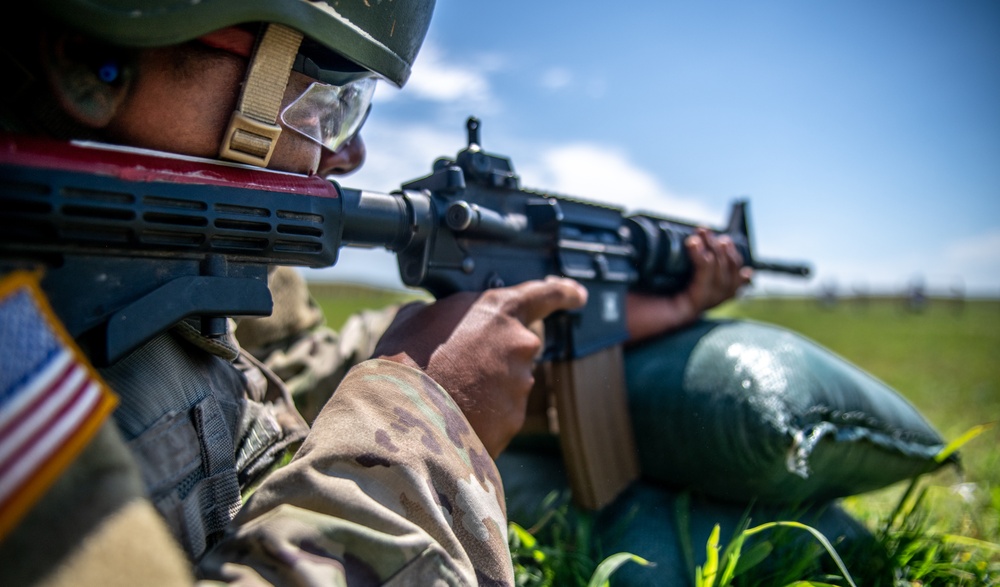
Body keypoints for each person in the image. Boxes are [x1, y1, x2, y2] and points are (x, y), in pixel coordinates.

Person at [0, 1, 749, 585]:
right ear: (91, 62)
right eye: (326, 96)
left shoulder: (198, 255)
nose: (350, 151)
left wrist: (574, 315)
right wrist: (424, 416)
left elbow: (292, 367)